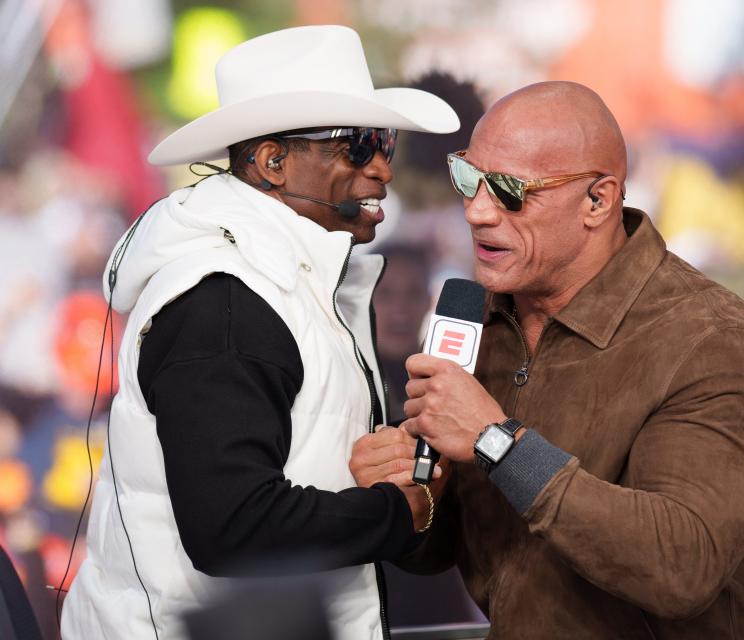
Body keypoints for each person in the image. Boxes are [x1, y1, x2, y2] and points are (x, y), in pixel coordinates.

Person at [351, 81, 744, 639]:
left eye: (509, 190)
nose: (477, 212)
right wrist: (409, 500)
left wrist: (496, 443)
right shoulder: (478, 321)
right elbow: (444, 547)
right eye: (468, 178)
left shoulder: (708, 339)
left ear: (598, 201)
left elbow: (684, 567)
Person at [62, 25, 458, 640]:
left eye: (386, 140)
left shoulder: (280, 281)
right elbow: (233, 527)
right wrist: (400, 510)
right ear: (273, 162)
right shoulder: (223, 298)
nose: (382, 165)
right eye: (356, 144)